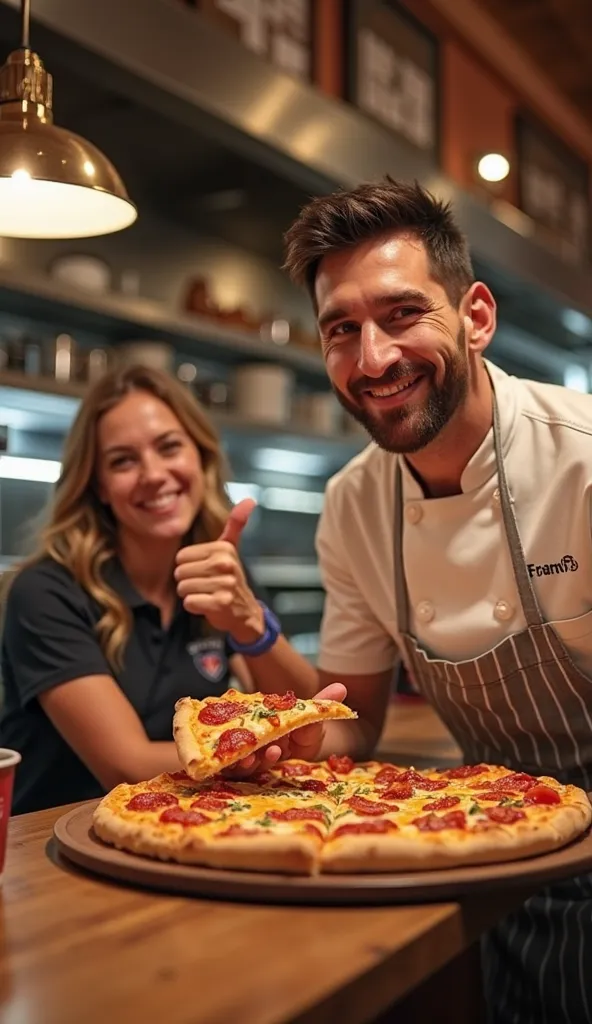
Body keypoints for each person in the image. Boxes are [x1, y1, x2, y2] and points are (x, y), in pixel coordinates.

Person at [282, 176, 592, 1024]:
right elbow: (356, 725)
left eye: (402, 314)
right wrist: (277, 732)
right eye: (341, 329)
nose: (373, 359)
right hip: (485, 856)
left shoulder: (585, 461)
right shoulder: (351, 508)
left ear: (477, 317)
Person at [0, 364, 344, 814]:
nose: (154, 474)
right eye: (123, 460)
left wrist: (249, 624)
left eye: (169, 447)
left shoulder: (221, 569)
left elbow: (310, 715)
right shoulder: (45, 591)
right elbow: (123, 764)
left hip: (184, 817)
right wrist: (245, 753)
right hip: (52, 843)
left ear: (200, 457)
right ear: (99, 486)